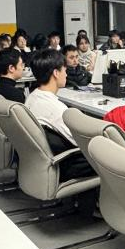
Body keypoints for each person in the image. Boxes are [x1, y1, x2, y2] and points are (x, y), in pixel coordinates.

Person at [24, 49, 94, 180]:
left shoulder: (32, 97)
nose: (66, 74)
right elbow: (79, 142)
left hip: (42, 161)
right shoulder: (56, 109)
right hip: (65, 164)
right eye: (64, 70)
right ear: (56, 73)